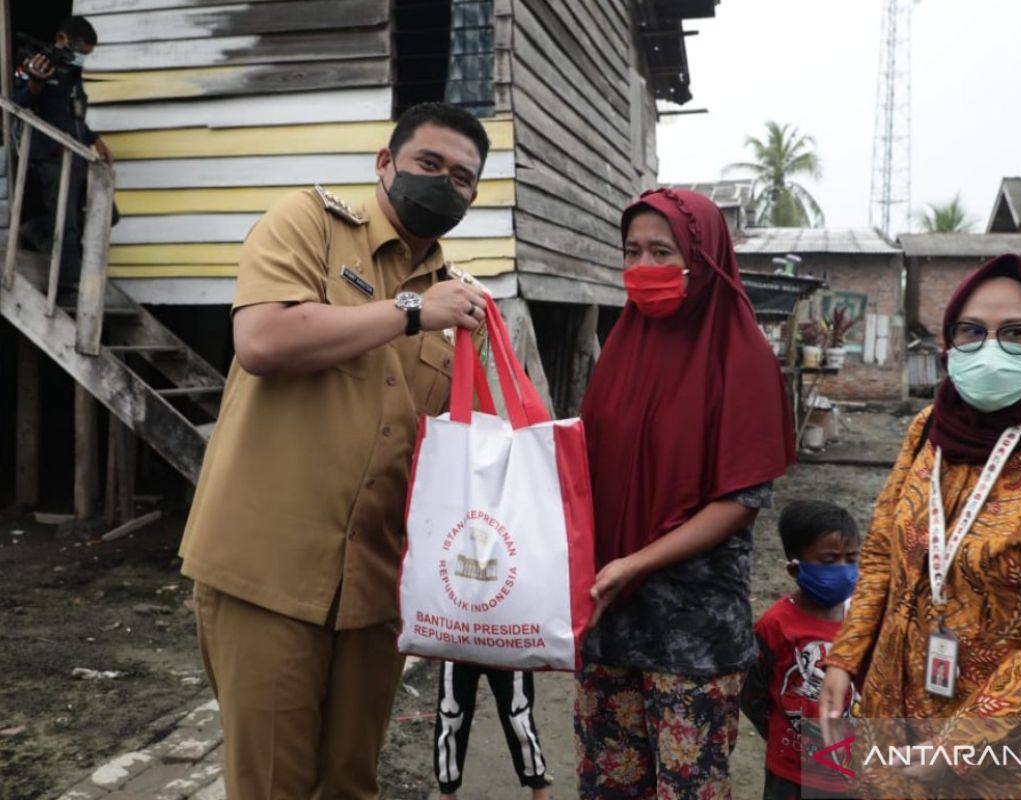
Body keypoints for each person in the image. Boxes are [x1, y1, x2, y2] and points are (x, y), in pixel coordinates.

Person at [178, 102, 491, 800]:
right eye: (428, 165)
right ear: (385, 163)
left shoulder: (459, 302)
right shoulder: (310, 224)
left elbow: (449, 454)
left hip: (374, 590)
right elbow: (263, 342)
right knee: (271, 788)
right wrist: (410, 313)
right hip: (268, 573)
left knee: (351, 784)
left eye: (463, 178)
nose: (445, 184)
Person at [818, 253, 1021, 799]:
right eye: (971, 331)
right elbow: (883, 556)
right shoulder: (928, 430)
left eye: (1015, 333)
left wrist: (960, 742)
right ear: (948, 338)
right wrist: (846, 657)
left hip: (1010, 751)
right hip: (895, 718)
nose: (989, 349)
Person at [575, 188, 795, 799]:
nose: (644, 267)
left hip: (692, 631)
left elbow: (741, 498)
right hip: (610, 620)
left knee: (688, 789)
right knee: (611, 785)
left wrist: (637, 563)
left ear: (702, 257)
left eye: (662, 251)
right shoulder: (622, 347)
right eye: (632, 251)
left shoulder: (741, 355)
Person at [741, 500, 861, 800]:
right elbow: (753, 693)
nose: (844, 570)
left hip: (856, 771)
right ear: (795, 569)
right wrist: (784, 735)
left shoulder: (863, 623)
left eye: (851, 558)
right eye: (830, 560)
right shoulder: (776, 625)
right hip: (791, 772)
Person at [13, 16, 114, 299]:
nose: (82, 59)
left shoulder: (71, 72)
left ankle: (35, 229)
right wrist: (34, 83)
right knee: (67, 225)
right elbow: (18, 102)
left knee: (105, 216)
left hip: (78, 155)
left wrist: (95, 140)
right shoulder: (37, 64)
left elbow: (73, 115)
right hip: (52, 158)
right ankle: (71, 289)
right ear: (61, 40)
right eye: (80, 52)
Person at [433, 661, 551, 799]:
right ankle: (447, 792)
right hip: (457, 645)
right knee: (451, 716)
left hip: (506, 645)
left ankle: (539, 790)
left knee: (519, 716)